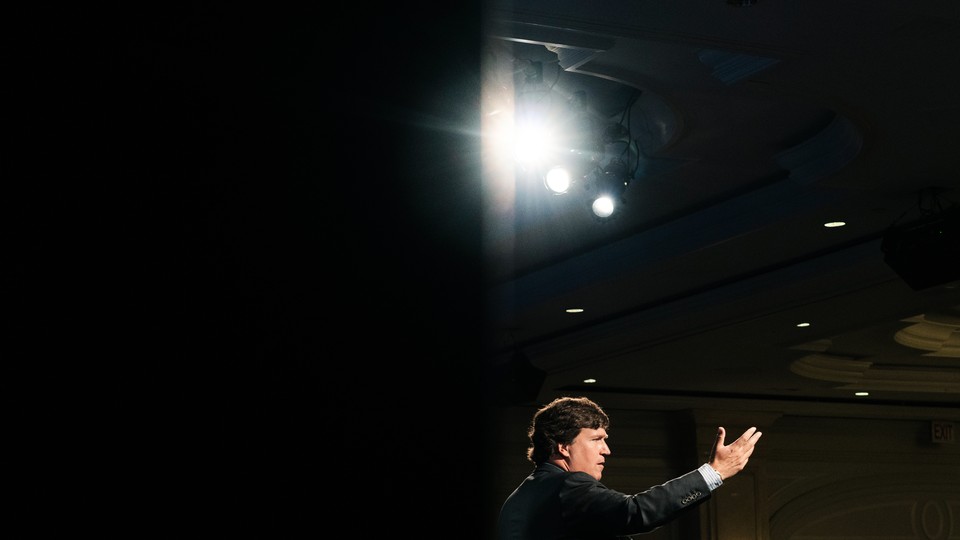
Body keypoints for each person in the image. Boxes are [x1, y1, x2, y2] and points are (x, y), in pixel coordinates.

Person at [498, 396, 762, 540]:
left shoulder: (517, 500)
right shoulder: (568, 485)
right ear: (563, 447)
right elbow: (634, 511)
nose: (606, 450)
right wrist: (714, 472)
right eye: (596, 440)